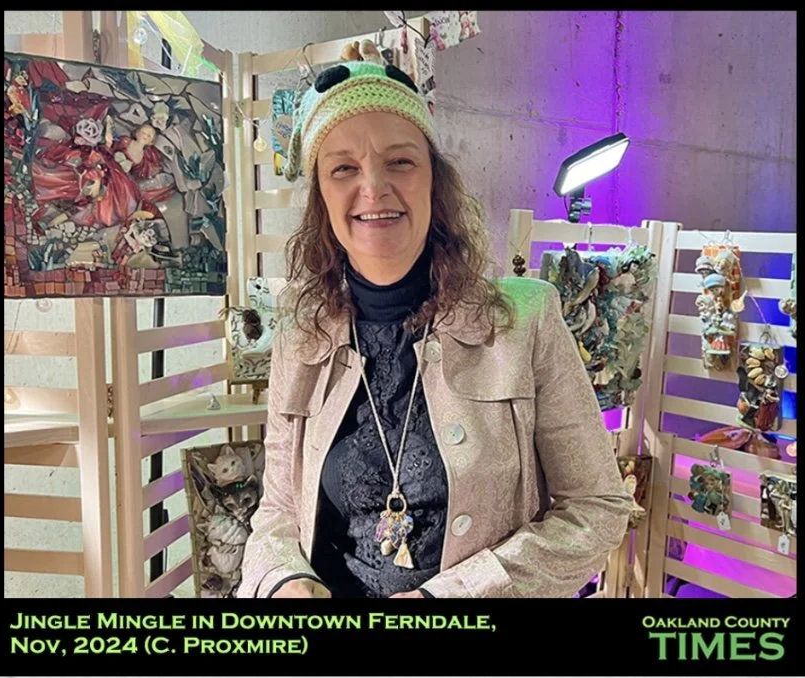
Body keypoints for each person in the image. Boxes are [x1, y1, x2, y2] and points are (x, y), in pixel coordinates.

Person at [238, 61, 632, 599]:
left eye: (399, 161)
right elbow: (279, 509)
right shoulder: (301, 334)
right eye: (343, 169)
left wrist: (453, 597)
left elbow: (598, 510)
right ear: (320, 198)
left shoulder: (525, 322)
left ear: (434, 180)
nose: (373, 188)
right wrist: (284, 581)